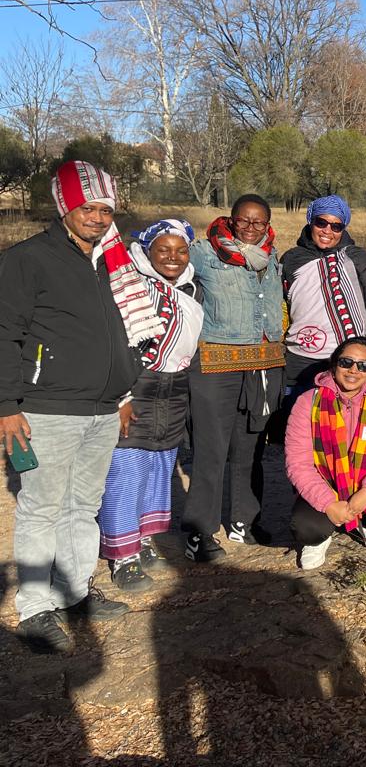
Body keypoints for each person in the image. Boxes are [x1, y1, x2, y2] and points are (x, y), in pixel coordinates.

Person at [1, 161, 152, 653]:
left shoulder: (113, 261)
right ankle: (36, 607)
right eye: (87, 207)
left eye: (106, 209)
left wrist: (123, 396)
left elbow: (123, 334)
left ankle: (76, 590)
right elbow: (5, 333)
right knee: (41, 507)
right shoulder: (29, 259)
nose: (97, 217)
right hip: (46, 408)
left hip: (103, 409)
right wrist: (6, 405)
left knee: (83, 507)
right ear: (65, 205)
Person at [99, 220, 204, 591]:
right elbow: (113, 343)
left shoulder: (192, 289)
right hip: (136, 387)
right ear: (146, 251)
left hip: (174, 390)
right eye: (163, 250)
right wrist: (121, 397)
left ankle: (143, 539)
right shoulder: (128, 286)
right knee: (126, 470)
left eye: (181, 250)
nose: (173, 258)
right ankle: (121, 556)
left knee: (160, 466)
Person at [185, 194, 285, 562]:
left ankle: (245, 521)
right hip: (215, 364)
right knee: (211, 450)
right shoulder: (203, 253)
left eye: (259, 222)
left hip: (262, 365)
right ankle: (200, 530)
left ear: (268, 223)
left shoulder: (272, 257)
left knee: (251, 449)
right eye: (245, 220)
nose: (252, 228)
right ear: (231, 219)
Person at [284, 337, 366, 570]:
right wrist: (328, 503)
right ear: (334, 364)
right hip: (326, 482)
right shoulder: (308, 403)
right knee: (307, 528)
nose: (354, 370)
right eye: (346, 362)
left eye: (363, 365)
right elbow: (297, 463)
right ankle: (322, 536)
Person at [281, 194, 366, 395]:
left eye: (336, 226)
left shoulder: (359, 259)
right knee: (297, 419)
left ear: (343, 228)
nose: (327, 231)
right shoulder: (291, 259)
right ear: (310, 221)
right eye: (321, 222)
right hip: (299, 358)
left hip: (349, 361)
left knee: (344, 421)